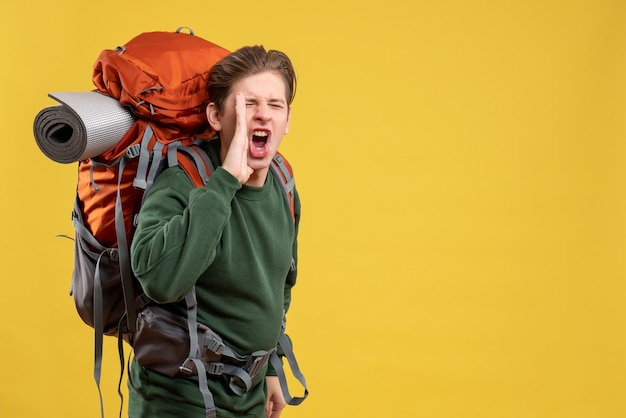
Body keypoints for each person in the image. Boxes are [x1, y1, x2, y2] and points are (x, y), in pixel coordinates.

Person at [127, 45, 301, 418]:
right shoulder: (183, 182)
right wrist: (225, 183)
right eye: (247, 104)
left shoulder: (283, 184)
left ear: (287, 120)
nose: (262, 116)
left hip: (247, 394)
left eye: (275, 105)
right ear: (216, 116)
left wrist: (270, 366)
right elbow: (159, 280)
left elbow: (278, 286)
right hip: (177, 399)